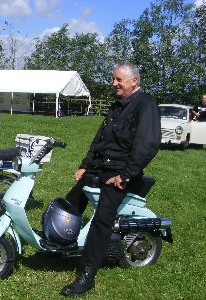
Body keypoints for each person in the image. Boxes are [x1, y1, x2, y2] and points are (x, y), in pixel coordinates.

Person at [61, 62, 161, 297]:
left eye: (119, 80)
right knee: (70, 202)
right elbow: (100, 138)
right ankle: (61, 240)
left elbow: (147, 145)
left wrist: (126, 175)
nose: (114, 84)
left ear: (134, 81)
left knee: (103, 218)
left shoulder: (145, 105)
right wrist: (85, 165)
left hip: (120, 174)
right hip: (99, 168)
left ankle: (87, 273)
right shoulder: (118, 105)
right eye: (114, 79)